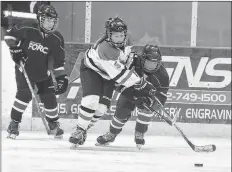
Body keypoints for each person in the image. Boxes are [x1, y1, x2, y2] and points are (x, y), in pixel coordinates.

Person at [69, 17, 157, 148]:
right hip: (92, 71)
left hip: (109, 75)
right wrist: (142, 85)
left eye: (121, 35)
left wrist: (137, 91)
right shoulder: (105, 48)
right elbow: (120, 75)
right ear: (109, 35)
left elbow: (126, 62)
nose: (120, 38)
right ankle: (80, 129)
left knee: (102, 108)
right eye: (116, 36)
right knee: (91, 101)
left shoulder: (128, 39)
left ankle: (85, 129)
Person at [4, 4, 68, 139]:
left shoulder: (57, 38)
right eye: (47, 20)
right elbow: (9, 37)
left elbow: (58, 62)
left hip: (43, 73)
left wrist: (62, 77)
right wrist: (14, 49)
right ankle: (14, 124)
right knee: (24, 94)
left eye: (52, 21)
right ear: (39, 19)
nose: (50, 24)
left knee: (49, 97)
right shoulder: (27, 26)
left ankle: (53, 124)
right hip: (24, 68)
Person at [96, 44, 170, 149]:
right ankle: (112, 134)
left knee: (147, 109)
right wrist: (132, 96)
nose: (151, 67)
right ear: (142, 59)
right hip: (129, 91)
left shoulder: (162, 75)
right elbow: (117, 82)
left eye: (154, 64)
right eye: (149, 63)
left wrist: (150, 102)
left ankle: (140, 133)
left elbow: (161, 96)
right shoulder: (131, 62)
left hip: (146, 95)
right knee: (121, 112)